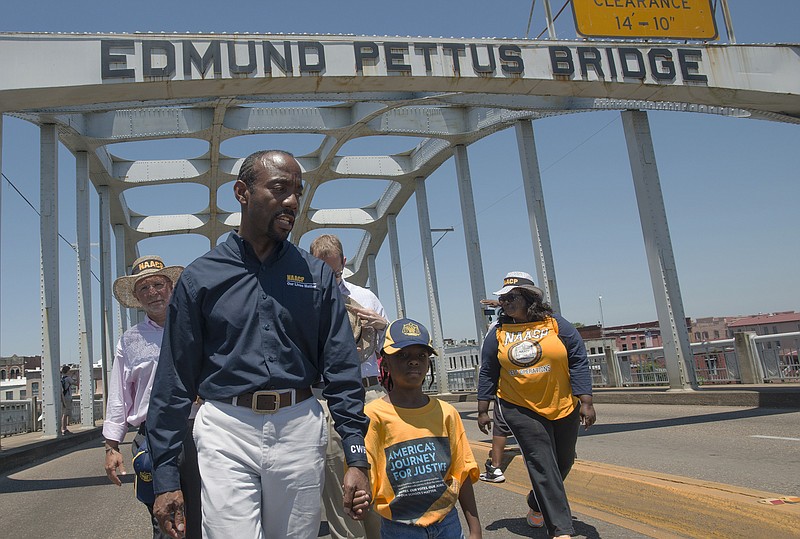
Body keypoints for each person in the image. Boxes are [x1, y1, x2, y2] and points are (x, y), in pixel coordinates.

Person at [147, 150, 371, 539]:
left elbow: (341, 366)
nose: (292, 202)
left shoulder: (316, 276)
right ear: (242, 192)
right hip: (226, 427)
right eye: (279, 189)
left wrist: (355, 453)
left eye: (297, 192)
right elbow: (174, 378)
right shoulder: (200, 278)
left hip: (299, 424)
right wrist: (165, 475)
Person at [477, 271, 596, 539]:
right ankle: (561, 530)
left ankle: (536, 503)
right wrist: (483, 409)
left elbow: (577, 358)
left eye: (511, 297)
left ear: (530, 298)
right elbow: (488, 371)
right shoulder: (498, 332)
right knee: (542, 462)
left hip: (562, 403)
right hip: (519, 406)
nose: (505, 302)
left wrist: (585, 400)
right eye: (503, 298)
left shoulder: (557, 325)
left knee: (563, 461)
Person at [102, 255, 202, 539]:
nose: (152, 292)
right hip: (151, 437)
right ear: (136, 296)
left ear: (171, 287)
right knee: (163, 519)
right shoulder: (129, 341)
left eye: (158, 284)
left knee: (201, 515)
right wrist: (111, 446)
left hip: (194, 432)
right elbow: (119, 396)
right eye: (144, 288)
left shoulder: (195, 329)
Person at [365, 317, 482, 539]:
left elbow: (462, 473)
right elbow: (366, 479)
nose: (414, 362)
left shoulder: (447, 413)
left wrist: (475, 529)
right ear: (385, 363)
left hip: (448, 524)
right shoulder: (373, 416)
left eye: (421, 355)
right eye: (402, 355)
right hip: (399, 528)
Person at [310, 233, 388, 539]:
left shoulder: (365, 297)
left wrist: (381, 327)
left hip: (369, 391)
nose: (331, 279)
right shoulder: (303, 302)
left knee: (380, 478)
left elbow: (394, 349)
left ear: (345, 263)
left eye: (337, 272)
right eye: (323, 272)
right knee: (337, 477)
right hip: (327, 396)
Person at [60, 364, 75, 435]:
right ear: (67, 371)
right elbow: (76, 383)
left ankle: (64, 428)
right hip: (67, 397)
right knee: (65, 414)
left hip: (63, 397)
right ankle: (64, 428)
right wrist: (77, 376)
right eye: (69, 371)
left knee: (64, 413)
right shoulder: (68, 379)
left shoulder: (62, 379)